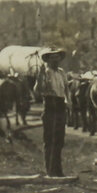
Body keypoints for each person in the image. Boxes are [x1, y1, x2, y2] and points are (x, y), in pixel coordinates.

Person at [33, 47, 71, 178]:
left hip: (60, 105)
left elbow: (66, 88)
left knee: (59, 140)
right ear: (48, 60)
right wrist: (40, 77)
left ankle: (58, 170)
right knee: (49, 140)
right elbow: (38, 90)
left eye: (57, 57)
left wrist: (69, 101)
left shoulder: (61, 73)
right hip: (50, 105)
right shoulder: (45, 72)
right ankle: (49, 171)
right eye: (52, 58)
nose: (55, 60)